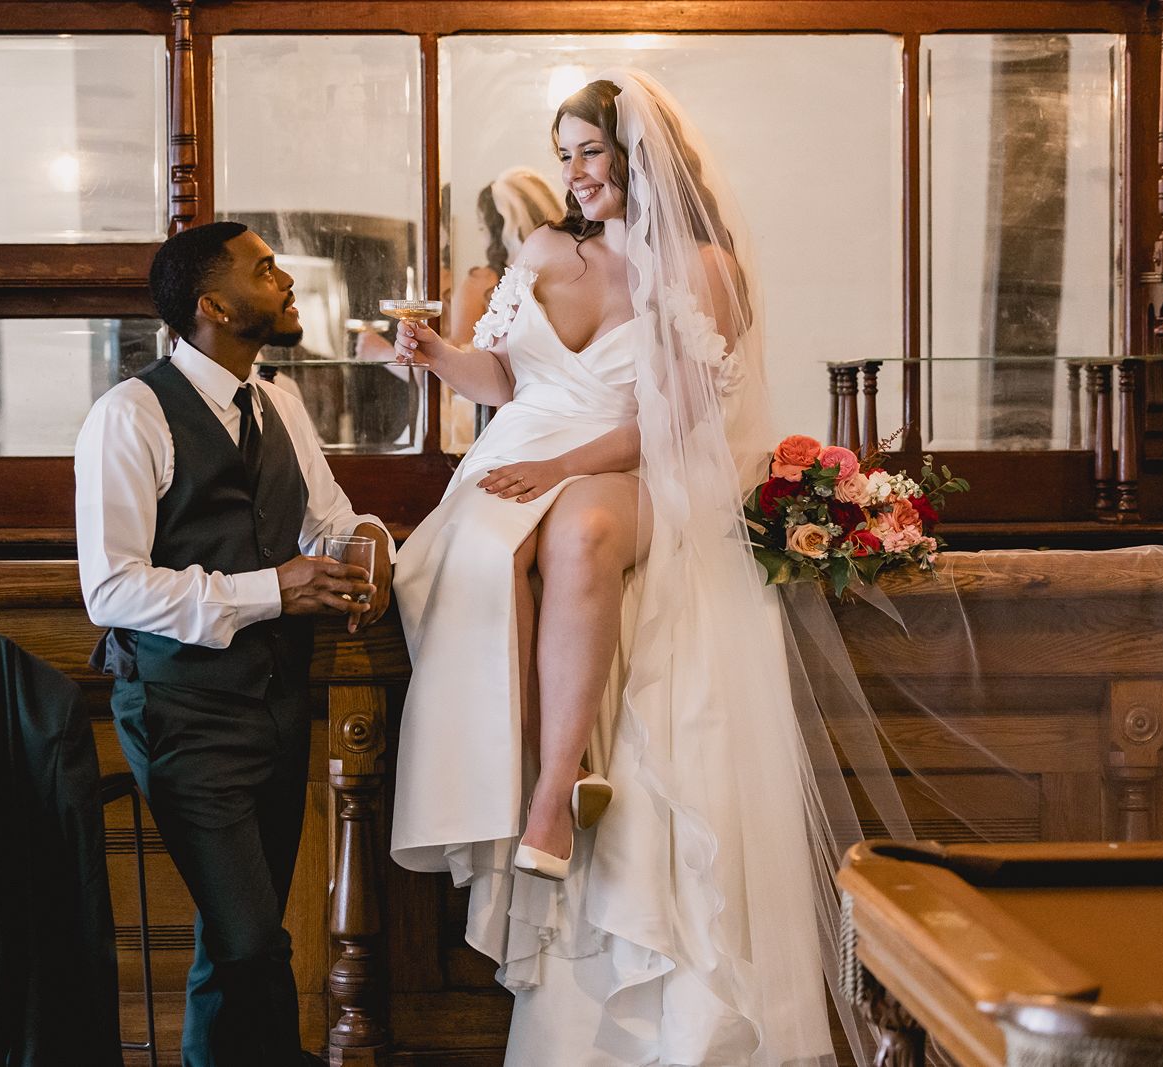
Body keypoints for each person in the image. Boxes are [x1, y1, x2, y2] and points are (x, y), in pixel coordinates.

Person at [389, 73, 847, 1065]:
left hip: (644, 465)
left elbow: (676, 421)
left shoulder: (702, 268)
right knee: (475, 552)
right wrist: (435, 354)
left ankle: (557, 788)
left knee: (582, 531)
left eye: (588, 151)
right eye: (562, 154)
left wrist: (558, 466)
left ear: (639, 156)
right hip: (523, 449)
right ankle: (504, 777)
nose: (572, 172)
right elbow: (503, 376)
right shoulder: (545, 247)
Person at [74, 220, 394, 1067]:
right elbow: (110, 589)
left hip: (280, 708)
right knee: (254, 941)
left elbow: (332, 518)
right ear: (213, 305)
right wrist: (273, 589)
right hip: (181, 712)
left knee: (234, 936)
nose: (286, 278)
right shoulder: (128, 416)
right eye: (265, 268)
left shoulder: (280, 401)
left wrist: (372, 546)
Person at [439, 168, 566, 451]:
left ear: (497, 232)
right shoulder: (569, 279)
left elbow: (461, 355)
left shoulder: (480, 283)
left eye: (482, 229)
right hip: (554, 413)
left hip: (489, 412)